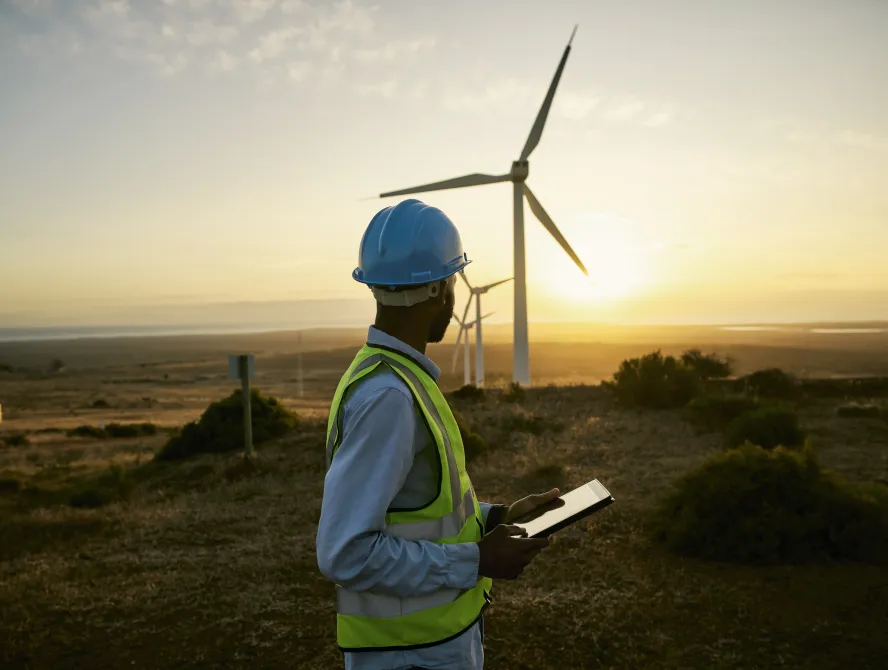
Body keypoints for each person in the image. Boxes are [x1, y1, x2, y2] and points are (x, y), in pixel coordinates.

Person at [316, 199, 561, 669]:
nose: (454, 293)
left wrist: (496, 516)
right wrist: (477, 561)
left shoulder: (394, 378)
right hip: (409, 656)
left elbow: (413, 509)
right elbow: (344, 553)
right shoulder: (389, 397)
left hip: (426, 646)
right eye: (452, 280)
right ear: (438, 291)